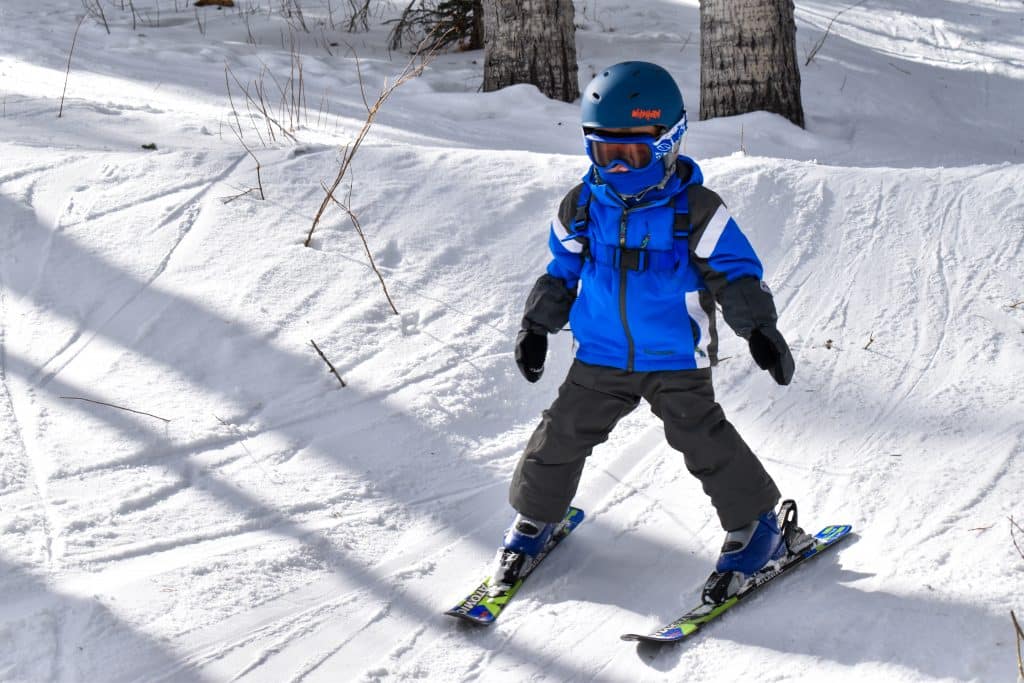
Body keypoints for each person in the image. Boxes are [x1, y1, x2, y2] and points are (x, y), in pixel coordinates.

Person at [492, 61, 798, 604]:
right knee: (559, 434)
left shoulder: (698, 210)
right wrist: (537, 324)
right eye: (605, 151)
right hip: (600, 356)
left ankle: (759, 526)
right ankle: (535, 519)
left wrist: (760, 331)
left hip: (675, 356)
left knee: (702, 439)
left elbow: (735, 275)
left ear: (669, 142)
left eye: (633, 152)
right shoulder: (583, 206)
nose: (619, 165)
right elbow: (561, 271)